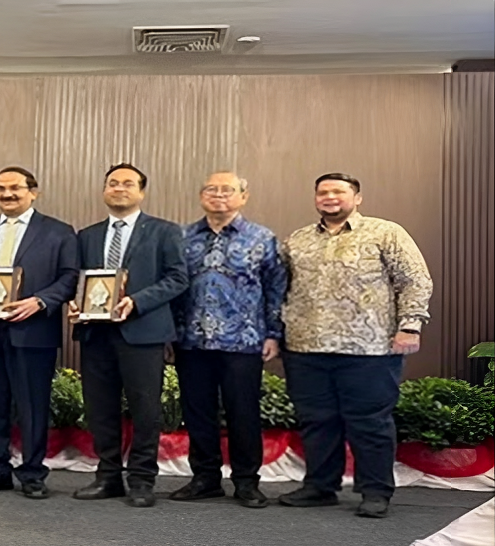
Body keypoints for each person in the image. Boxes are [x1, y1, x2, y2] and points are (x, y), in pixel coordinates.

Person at [279, 172, 432, 518]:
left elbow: (414, 280)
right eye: (323, 192)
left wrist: (410, 326)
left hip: (369, 347)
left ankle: (375, 491)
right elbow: (280, 288)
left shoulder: (385, 232)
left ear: (357, 198)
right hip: (306, 347)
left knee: (370, 422)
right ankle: (320, 487)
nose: (330, 197)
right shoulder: (298, 240)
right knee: (316, 420)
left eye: (339, 191)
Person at [0, 166, 79, 499]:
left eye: (15, 188)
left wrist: (39, 301)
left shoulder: (59, 232)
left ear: (33, 192)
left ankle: (33, 473)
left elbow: (69, 278)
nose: (7, 194)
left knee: (32, 404)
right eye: (0, 188)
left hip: (33, 329)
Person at [67, 163, 188, 507]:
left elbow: (178, 278)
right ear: (104, 190)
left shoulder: (165, 231)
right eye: (112, 183)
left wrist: (137, 301)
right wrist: (76, 305)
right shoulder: (87, 236)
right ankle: (107, 477)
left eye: (127, 183)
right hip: (95, 334)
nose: (119, 188)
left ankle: (142, 480)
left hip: (143, 333)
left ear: (141, 192)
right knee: (99, 409)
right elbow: (79, 281)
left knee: (145, 410)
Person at [169, 172, 287, 509]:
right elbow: (173, 287)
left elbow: (276, 289)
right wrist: (170, 333)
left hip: (244, 341)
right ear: (201, 195)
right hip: (191, 341)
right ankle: (205, 478)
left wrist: (274, 334)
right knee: (197, 412)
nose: (219, 194)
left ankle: (247, 481)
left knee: (243, 413)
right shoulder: (182, 237)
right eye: (211, 189)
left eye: (228, 189)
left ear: (243, 196)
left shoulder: (261, 238)